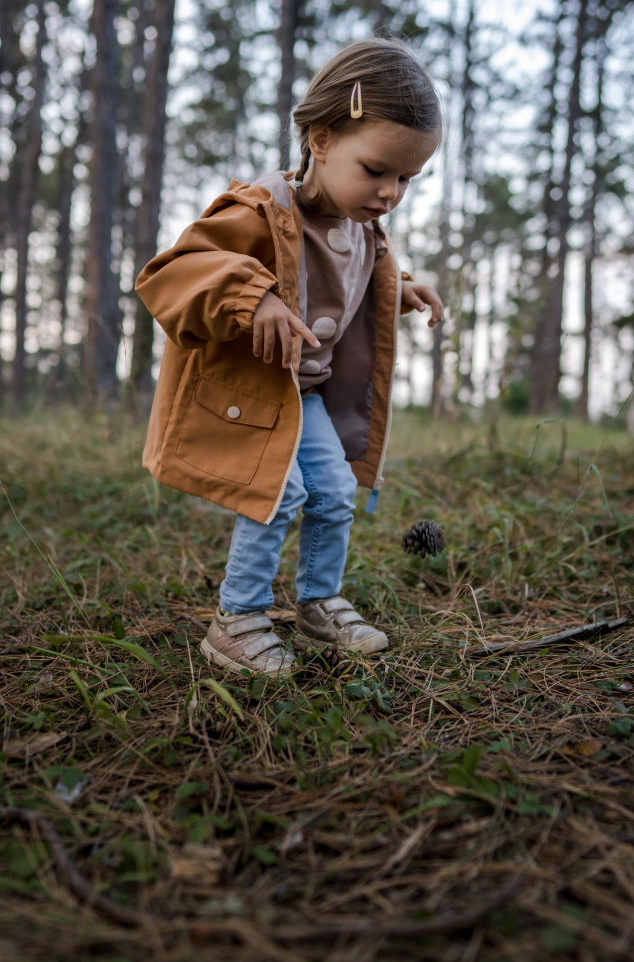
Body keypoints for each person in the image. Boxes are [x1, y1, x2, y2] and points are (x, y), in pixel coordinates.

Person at [135, 38, 444, 676]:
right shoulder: (258, 212)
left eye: (406, 179)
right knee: (278, 494)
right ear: (321, 138)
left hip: (308, 397)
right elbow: (176, 273)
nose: (390, 192)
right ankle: (237, 620)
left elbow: (353, 279)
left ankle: (318, 602)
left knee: (333, 494)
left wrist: (399, 287)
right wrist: (255, 297)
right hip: (257, 394)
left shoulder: (364, 231)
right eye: (377, 169)